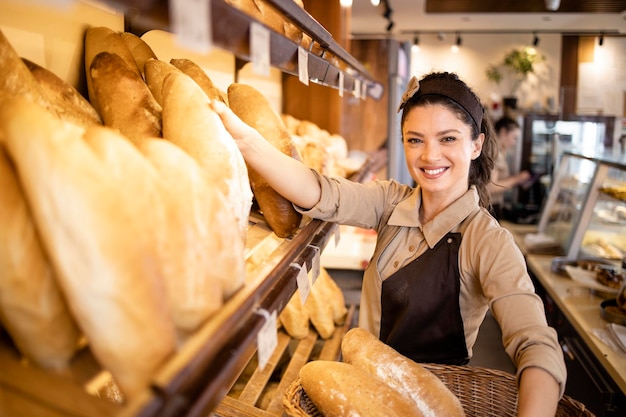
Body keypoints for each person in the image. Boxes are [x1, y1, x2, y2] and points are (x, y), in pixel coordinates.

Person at [211, 71, 566, 417]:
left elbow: (535, 344)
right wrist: (244, 140)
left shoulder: (488, 241)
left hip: (433, 406)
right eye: (415, 140)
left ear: (476, 145)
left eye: (448, 139)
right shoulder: (390, 202)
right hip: (364, 394)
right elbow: (318, 191)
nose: (429, 155)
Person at [488, 116, 531, 220]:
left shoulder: (500, 151)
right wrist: (517, 179)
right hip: (490, 206)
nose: (514, 143)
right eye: (514, 138)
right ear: (503, 132)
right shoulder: (494, 152)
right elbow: (491, 187)